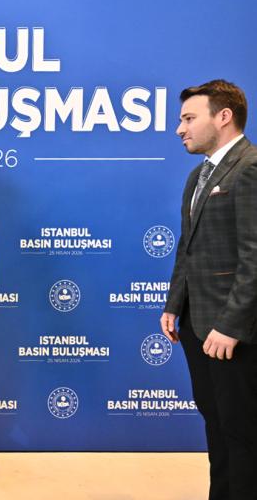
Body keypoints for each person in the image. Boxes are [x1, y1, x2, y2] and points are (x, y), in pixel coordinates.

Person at [161, 79, 257, 500]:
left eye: (188, 118)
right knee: (216, 425)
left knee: (242, 432)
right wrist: (173, 305)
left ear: (224, 117)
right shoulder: (198, 176)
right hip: (197, 325)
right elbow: (189, 247)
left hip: (233, 333)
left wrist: (232, 325)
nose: (179, 129)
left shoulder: (250, 168)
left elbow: (255, 257)